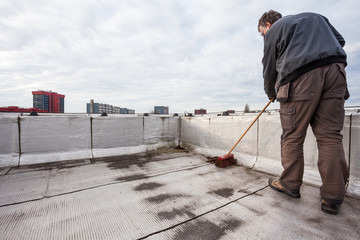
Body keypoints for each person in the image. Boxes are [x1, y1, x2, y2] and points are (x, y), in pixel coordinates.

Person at [258, 10, 350, 215]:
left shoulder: (274, 31)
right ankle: (332, 197)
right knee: (330, 136)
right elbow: (340, 41)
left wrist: (271, 93)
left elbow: (269, 67)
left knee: (292, 135)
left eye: (261, 32)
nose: (263, 36)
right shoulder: (317, 17)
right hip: (336, 72)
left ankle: (289, 183)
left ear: (267, 24)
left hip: (299, 77)